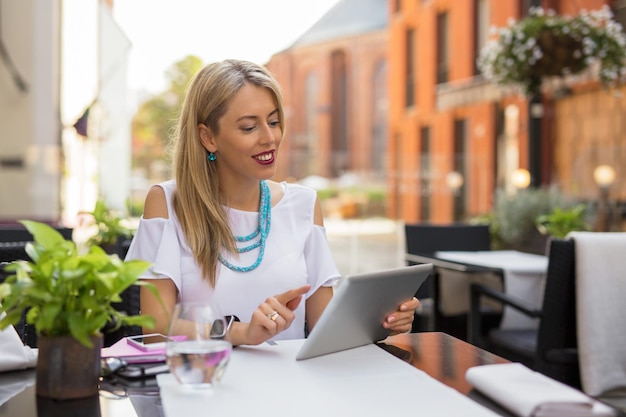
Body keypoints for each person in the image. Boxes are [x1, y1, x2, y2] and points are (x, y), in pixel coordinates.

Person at [125, 59, 419, 346]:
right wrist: (241, 333)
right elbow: (155, 327)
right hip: (205, 384)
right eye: (249, 127)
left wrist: (381, 322)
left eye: (274, 122)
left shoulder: (304, 205)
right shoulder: (166, 203)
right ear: (208, 137)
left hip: (289, 389)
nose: (270, 138)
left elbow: (325, 328)